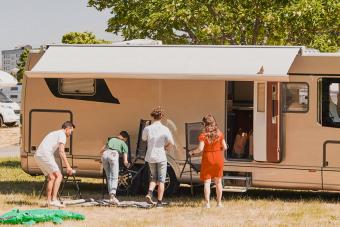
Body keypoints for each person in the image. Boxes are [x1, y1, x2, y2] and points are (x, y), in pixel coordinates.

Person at [189, 114, 227, 208]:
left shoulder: (203, 135)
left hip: (208, 158)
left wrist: (192, 152)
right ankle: (219, 203)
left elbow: (200, 149)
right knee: (218, 182)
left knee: (207, 182)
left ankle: (207, 204)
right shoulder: (219, 133)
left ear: (205, 124)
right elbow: (225, 147)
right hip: (218, 158)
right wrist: (218, 148)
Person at [34, 121, 75, 208]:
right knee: (59, 176)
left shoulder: (55, 133)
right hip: (45, 154)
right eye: (71, 131)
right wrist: (68, 166)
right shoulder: (62, 135)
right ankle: (54, 200)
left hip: (38, 155)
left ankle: (48, 202)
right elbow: (61, 151)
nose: (71, 134)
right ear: (67, 129)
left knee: (51, 177)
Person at [142, 106, 174, 208]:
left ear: (153, 116)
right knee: (161, 180)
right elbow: (171, 143)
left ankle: (150, 193)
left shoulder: (147, 128)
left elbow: (143, 138)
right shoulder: (165, 129)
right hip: (161, 156)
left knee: (153, 177)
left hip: (150, 156)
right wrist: (165, 147)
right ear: (161, 116)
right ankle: (159, 202)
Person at [101, 131, 130, 205]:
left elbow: (102, 149)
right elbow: (125, 161)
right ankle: (112, 196)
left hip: (104, 155)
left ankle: (110, 197)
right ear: (125, 138)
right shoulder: (124, 143)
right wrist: (127, 164)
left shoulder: (111, 139)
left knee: (109, 177)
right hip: (113, 155)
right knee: (114, 177)